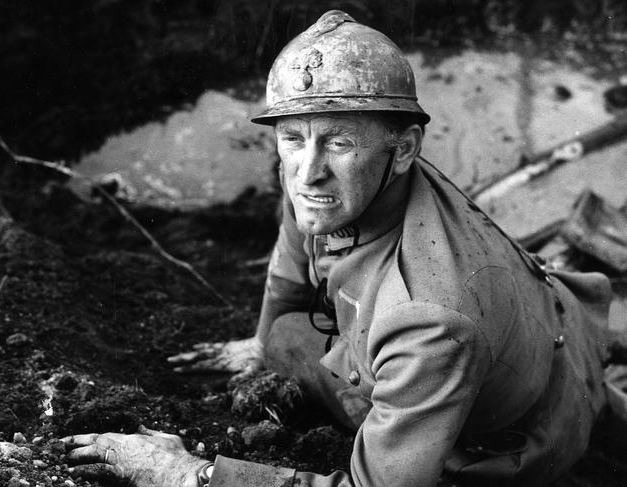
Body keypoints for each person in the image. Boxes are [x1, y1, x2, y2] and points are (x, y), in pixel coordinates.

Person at [62, 10, 623, 487]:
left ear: (403, 149)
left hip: (524, 431)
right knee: (284, 338)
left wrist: (194, 476)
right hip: (540, 342)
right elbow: (288, 270)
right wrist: (259, 344)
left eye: (340, 141)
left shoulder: (429, 317)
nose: (309, 171)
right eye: (293, 138)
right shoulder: (333, 188)